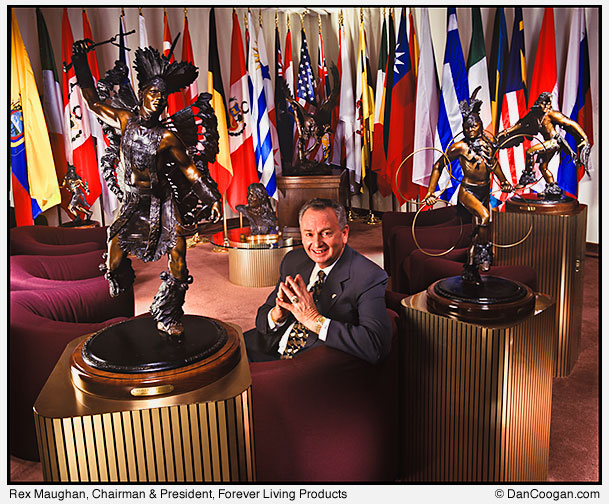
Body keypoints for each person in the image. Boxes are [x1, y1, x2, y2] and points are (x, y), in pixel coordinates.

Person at [71, 41, 222, 337]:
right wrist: (79, 62)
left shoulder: (167, 137)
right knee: (114, 258)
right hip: (131, 200)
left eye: (163, 97)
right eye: (153, 94)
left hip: (162, 200)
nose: (158, 100)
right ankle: (120, 280)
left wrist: (212, 196)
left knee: (178, 253)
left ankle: (169, 313)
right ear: (142, 95)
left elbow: (189, 169)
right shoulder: (124, 120)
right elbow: (91, 100)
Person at [244, 198, 392, 364]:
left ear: (344, 234)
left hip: (305, 365)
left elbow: (376, 346)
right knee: (223, 351)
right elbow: (263, 317)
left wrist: (314, 319)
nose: (316, 243)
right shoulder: (293, 261)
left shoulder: (368, 276)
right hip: (272, 346)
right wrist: (278, 316)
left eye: (326, 233)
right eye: (309, 234)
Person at [423, 88, 513, 285]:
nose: (471, 130)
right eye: (467, 127)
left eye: (474, 126)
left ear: (480, 125)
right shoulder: (460, 147)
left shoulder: (488, 142)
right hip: (468, 191)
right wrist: (431, 192)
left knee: (480, 228)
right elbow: (438, 165)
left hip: (485, 190)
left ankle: (471, 264)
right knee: (485, 217)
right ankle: (483, 256)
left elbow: (493, 164)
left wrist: (504, 181)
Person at [496, 91, 591, 198]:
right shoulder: (534, 115)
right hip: (547, 143)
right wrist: (506, 132)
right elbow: (520, 124)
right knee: (543, 167)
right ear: (539, 103)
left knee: (530, 151)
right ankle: (552, 188)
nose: (546, 106)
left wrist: (584, 138)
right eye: (544, 103)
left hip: (554, 142)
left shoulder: (552, 115)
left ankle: (528, 176)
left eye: (548, 103)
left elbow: (571, 124)